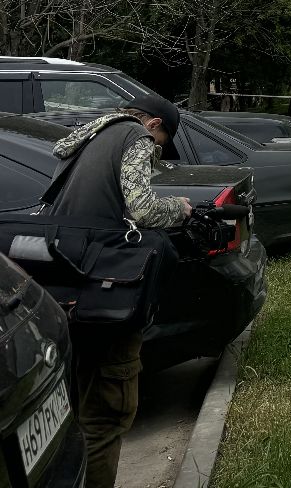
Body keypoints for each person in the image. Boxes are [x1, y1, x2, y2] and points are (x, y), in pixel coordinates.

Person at [47, 93, 191, 488]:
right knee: (107, 415)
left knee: (77, 408)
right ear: (154, 125)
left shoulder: (89, 136)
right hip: (104, 292)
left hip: (68, 286)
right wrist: (180, 208)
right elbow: (142, 209)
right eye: (161, 146)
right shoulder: (135, 138)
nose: (157, 153)